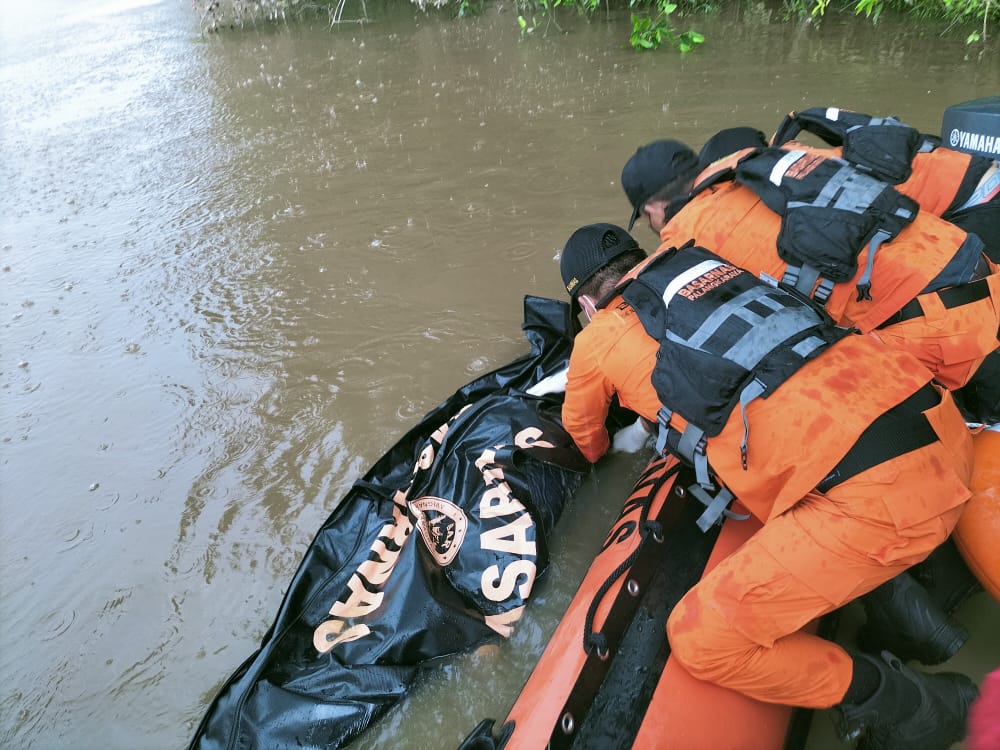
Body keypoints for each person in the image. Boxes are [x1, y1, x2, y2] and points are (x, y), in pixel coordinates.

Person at [557, 222, 978, 750]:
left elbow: (585, 440)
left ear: (590, 306)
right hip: (938, 421)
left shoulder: (596, 340)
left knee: (701, 637)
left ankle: (917, 709)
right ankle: (914, 621)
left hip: (884, 499)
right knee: (791, 468)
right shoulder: (708, 264)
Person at [621, 137, 1000, 426]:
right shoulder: (771, 157)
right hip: (972, 259)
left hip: (947, 330)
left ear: (652, 209)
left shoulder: (688, 243)